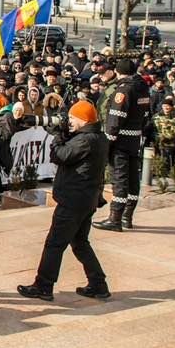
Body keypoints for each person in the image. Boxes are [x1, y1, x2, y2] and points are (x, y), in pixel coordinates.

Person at [18, 101, 111, 301]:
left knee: (55, 243)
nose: (69, 121)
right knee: (80, 243)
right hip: (86, 199)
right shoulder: (98, 137)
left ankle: (43, 285)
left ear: (83, 120)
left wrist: (59, 136)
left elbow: (59, 155)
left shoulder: (85, 140)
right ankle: (98, 284)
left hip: (73, 200)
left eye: (72, 118)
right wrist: (66, 134)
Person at [93, 58, 151, 231]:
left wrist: (108, 142)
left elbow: (115, 118)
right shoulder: (143, 88)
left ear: (118, 71)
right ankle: (127, 217)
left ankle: (115, 218)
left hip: (120, 142)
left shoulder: (124, 89)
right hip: (135, 139)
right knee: (133, 179)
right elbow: (147, 115)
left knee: (120, 180)